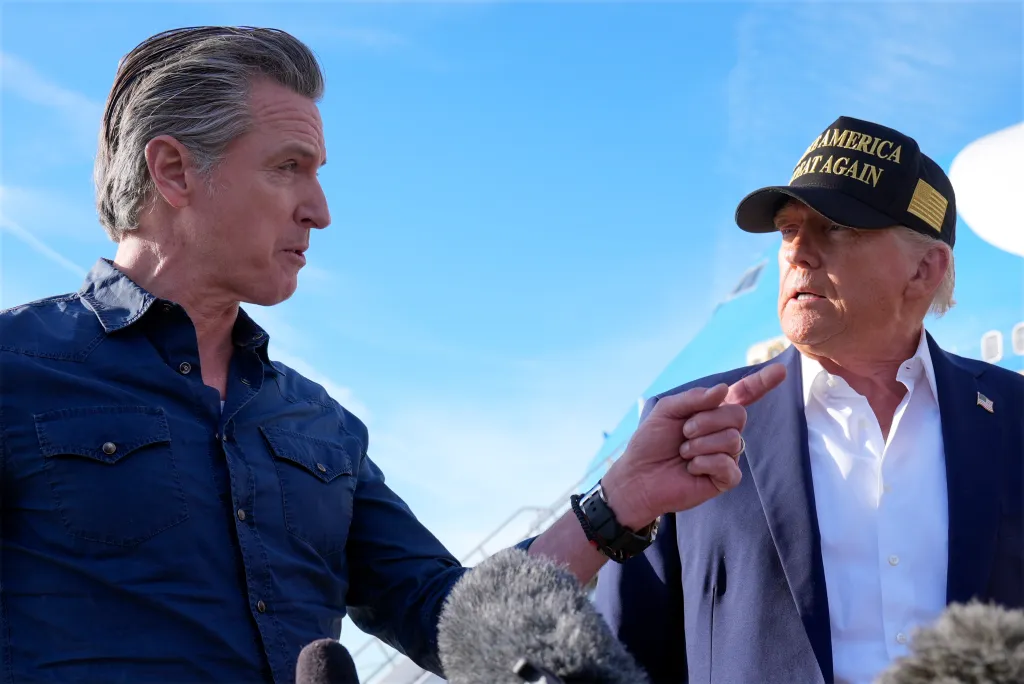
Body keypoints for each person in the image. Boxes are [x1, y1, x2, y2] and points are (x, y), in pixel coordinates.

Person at [0, 26, 785, 682]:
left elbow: (449, 619)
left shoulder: (320, 426)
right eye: (288, 167)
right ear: (174, 170)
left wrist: (618, 503)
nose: (320, 210)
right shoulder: (16, 370)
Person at [593, 115, 1024, 684]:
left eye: (836, 228)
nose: (799, 252)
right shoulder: (690, 425)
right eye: (788, 230)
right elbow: (622, 656)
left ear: (925, 268)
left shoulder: (1013, 417)